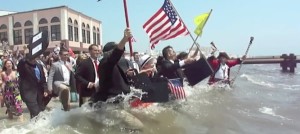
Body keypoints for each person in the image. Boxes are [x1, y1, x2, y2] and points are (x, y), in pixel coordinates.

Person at [91, 28, 132, 103]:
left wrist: (128, 74)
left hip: (122, 98)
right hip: (109, 100)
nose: (122, 53)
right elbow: (116, 54)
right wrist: (124, 39)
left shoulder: (119, 63)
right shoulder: (105, 62)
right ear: (109, 52)